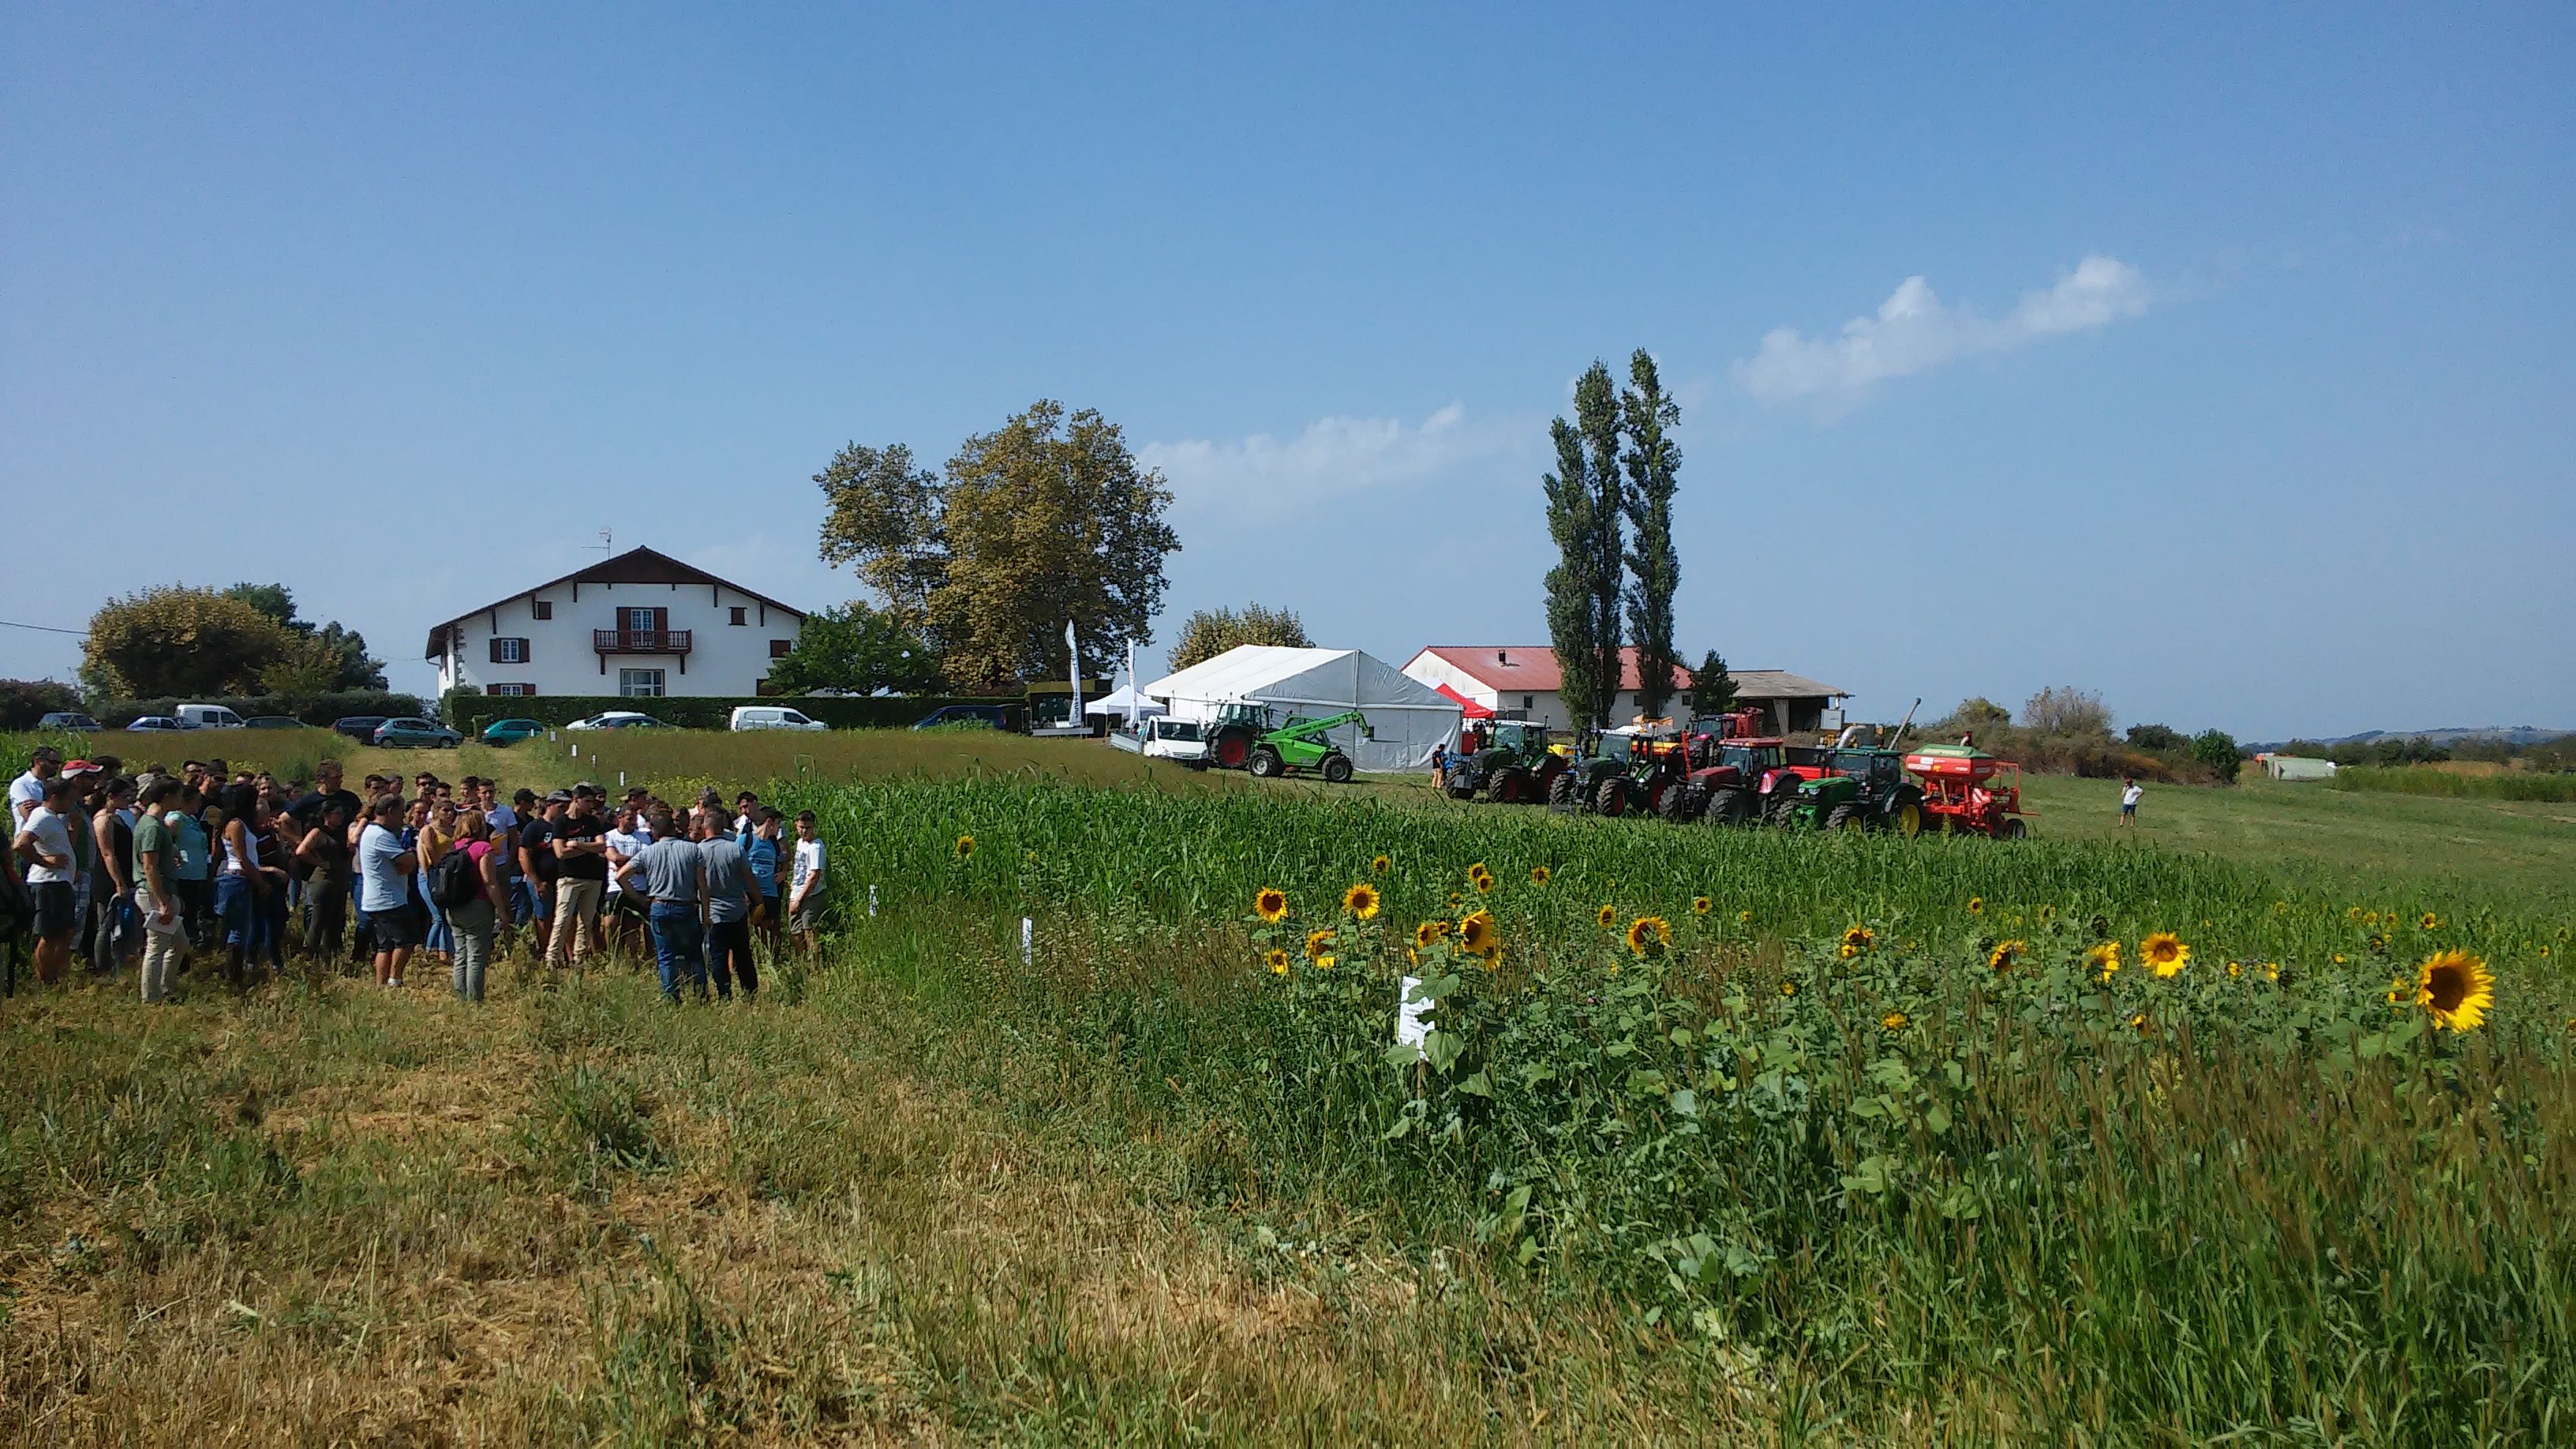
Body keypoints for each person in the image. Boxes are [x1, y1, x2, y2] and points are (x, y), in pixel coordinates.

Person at [619, 806, 708, 1002]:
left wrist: (640, 899)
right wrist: (706, 914)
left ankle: (671, 996)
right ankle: (701, 995)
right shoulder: (693, 850)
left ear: (655, 832)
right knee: (694, 954)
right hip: (685, 905)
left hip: (659, 905)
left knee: (665, 956)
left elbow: (621, 876)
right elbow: (703, 885)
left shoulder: (648, 852)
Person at [13, 776, 84, 985]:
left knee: (65, 932)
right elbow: (21, 844)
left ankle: (56, 975)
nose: (72, 804)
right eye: (69, 800)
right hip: (48, 883)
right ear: (54, 798)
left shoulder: (53, 817)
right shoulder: (42, 816)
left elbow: (61, 846)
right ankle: (45, 979)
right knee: (50, 934)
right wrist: (46, 862)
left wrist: (73, 828)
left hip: (60, 882)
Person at [132, 777, 188, 1002]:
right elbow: (149, 865)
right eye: (178, 795)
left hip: (163, 891)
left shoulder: (156, 824)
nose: (181, 800)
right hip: (155, 892)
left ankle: (165, 987)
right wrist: (163, 901)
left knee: (180, 944)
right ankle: (151, 997)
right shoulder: (152, 827)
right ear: (167, 797)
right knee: (157, 946)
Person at [357, 796, 419, 987]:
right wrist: (410, 858)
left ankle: (380, 983)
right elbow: (407, 861)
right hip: (389, 900)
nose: (403, 817)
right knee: (406, 941)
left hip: (377, 899)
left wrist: (403, 863)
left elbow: (401, 863)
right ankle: (395, 980)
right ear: (390, 811)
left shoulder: (372, 832)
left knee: (385, 945)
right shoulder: (380, 835)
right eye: (401, 812)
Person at [446, 808, 507, 1002]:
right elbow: (489, 882)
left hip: (454, 905)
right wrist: (502, 911)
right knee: (476, 956)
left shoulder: (453, 847)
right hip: (478, 905)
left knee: (460, 953)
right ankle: (475, 1000)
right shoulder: (483, 848)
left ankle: (461, 997)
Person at [549, 785, 610, 970]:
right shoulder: (562, 822)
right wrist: (588, 848)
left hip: (593, 877)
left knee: (587, 920)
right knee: (563, 918)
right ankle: (552, 958)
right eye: (588, 801)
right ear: (577, 799)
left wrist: (577, 845)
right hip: (569, 877)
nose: (591, 805)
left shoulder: (592, 822)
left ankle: (579, 957)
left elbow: (602, 847)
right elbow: (560, 852)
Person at [698, 815, 756, 1000]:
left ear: (705, 829)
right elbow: (749, 877)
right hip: (737, 910)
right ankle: (750, 991)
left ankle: (724, 993)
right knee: (743, 955)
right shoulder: (735, 849)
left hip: (713, 913)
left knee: (718, 956)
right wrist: (758, 900)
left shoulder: (698, 851)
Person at [90, 775, 140, 974]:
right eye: (126, 797)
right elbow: (108, 854)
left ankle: (119, 962)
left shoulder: (117, 816)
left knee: (121, 922)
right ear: (111, 796)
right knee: (106, 923)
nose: (129, 801)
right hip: (108, 878)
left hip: (124, 875)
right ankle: (102, 966)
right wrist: (119, 883)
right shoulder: (103, 820)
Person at [296, 799, 353, 964]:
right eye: (337, 813)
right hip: (323, 880)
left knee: (336, 920)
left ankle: (331, 956)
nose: (341, 816)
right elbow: (301, 851)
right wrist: (319, 862)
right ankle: (310, 954)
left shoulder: (340, 832)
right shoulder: (318, 833)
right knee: (318, 920)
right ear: (327, 815)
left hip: (339, 881)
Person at [517, 791, 562, 958]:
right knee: (544, 917)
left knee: (562, 917)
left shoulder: (562, 826)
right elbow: (523, 856)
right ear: (549, 806)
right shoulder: (534, 827)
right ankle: (545, 951)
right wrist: (536, 881)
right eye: (560, 807)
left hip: (562, 881)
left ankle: (560, 951)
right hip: (540, 879)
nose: (564, 810)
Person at [739, 807, 783, 949]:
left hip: (770, 892)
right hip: (751, 892)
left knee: (768, 928)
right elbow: (734, 864)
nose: (779, 828)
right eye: (778, 824)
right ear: (769, 822)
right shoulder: (746, 839)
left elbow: (784, 860)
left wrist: (784, 873)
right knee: (750, 928)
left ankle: (767, 960)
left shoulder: (774, 844)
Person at [787, 809, 826, 958]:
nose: (804, 831)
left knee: (809, 930)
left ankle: (815, 965)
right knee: (795, 931)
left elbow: (814, 876)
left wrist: (799, 899)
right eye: (801, 827)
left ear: (813, 827)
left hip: (810, 895)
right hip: (797, 892)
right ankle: (803, 963)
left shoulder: (816, 847)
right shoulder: (800, 843)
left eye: (807, 828)